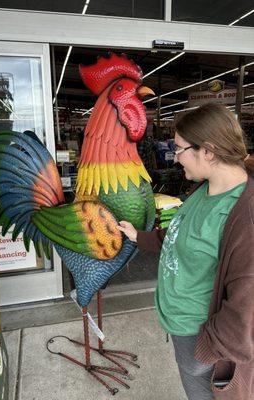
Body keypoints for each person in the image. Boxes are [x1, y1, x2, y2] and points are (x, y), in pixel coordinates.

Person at [118, 103, 254, 400]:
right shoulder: (206, 190)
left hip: (200, 337)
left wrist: (207, 348)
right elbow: (181, 234)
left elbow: (246, 305)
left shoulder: (243, 215)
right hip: (184, 329)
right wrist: (139, 237)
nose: (176, 158)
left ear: (208, 151)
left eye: (179, 149)